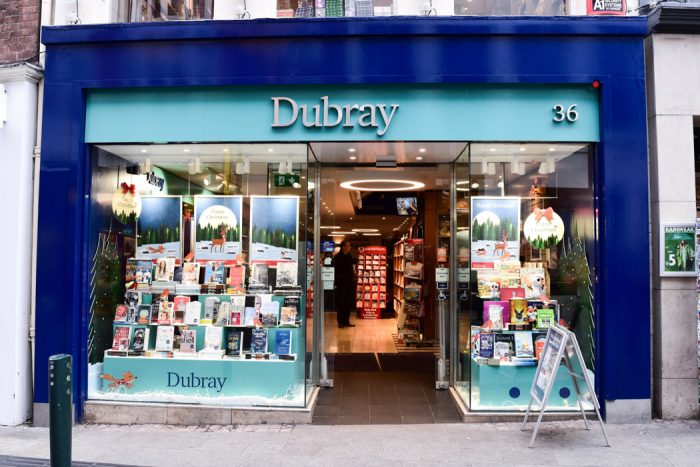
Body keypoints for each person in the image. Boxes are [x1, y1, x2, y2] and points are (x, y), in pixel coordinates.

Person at [332, 240, 356, 328]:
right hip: (341, 284)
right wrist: (338, 281)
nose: (349, 247)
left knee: (348, 303)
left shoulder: (349, 256)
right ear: (343, 247)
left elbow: (351, 269)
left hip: (349, 284)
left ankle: (346, 321)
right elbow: (336, 271)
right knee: (341, 303)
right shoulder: (338, 257)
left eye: (349, 246)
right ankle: (340, 322)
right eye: (348, 246)